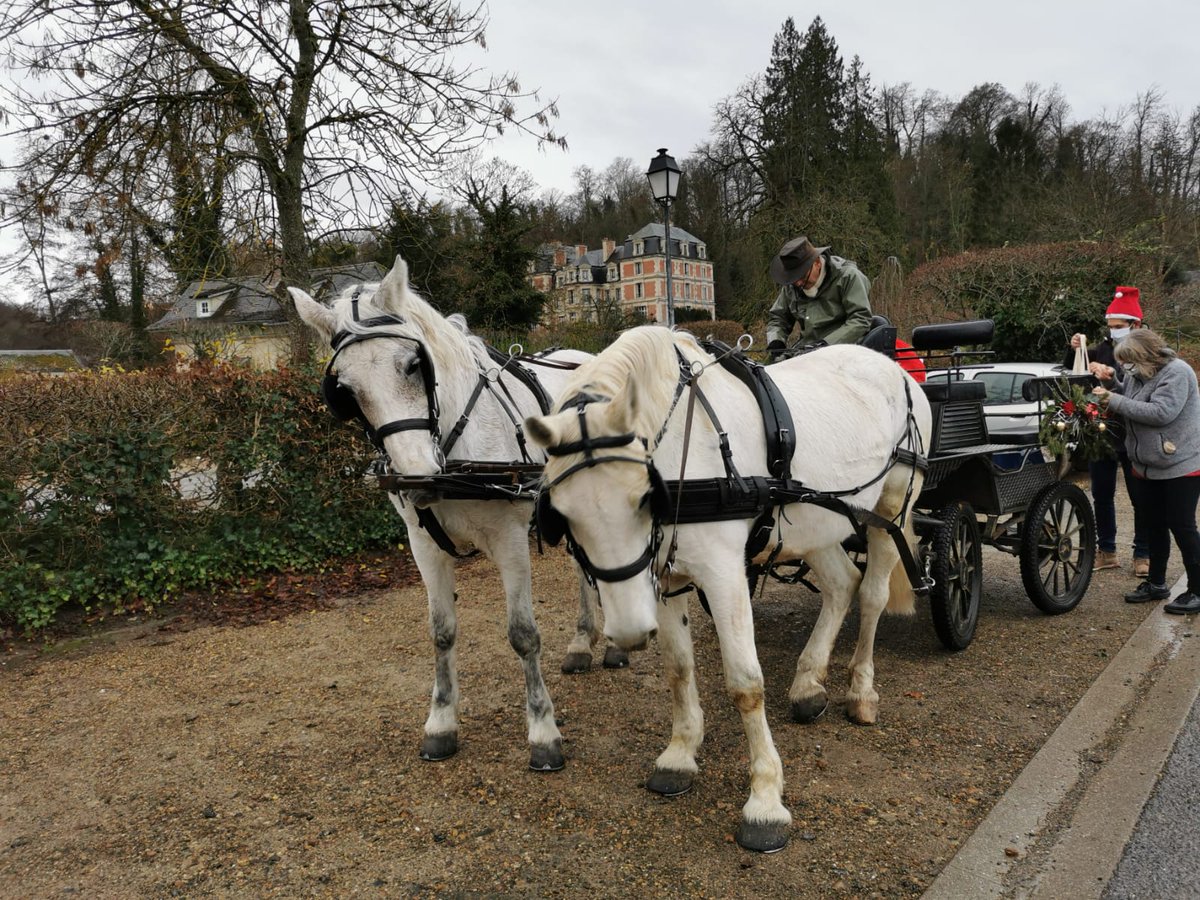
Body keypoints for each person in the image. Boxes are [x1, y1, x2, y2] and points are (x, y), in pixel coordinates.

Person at [1090, 329, 1200, 614]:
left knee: (1182, 526)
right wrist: (1113, 383)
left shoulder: (1177, 373)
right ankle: (1156, 583)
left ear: (1146, 355)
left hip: (1180, 464)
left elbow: (1160, 412)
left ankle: (1198, 590)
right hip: (1146, 464)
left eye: (1128, 362)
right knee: (1154, 525)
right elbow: (1129, 395)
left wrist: (1112, 400)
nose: (1126, 368)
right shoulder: (1140, 371)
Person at [1064, 286, 1149, 573]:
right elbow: (1074, 367)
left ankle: (1143, 555)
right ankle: (1107, 550)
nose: (1113, 332)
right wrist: (1074, 348)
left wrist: (1112, 375)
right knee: (1101, 495)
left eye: (1118, 327)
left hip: (1133, 434)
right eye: (1110, 327)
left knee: (1140, 498)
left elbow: (1141, 386)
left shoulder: (1147, 350)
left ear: (1134, 324)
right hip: (1101, 432)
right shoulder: (1101, 346)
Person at [766, 237, 873, 360]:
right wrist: (776, 340)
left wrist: (825, 345)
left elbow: (861, 320)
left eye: (802, 275)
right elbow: (778, 318)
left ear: (817, 263)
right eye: (793, 277)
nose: (798, 283)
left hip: (844, 354)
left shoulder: (849, 277)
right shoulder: (792, 285)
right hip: (804, 353)